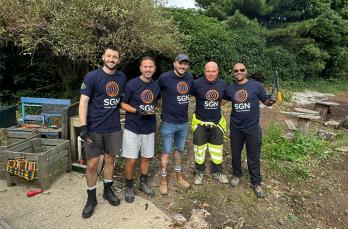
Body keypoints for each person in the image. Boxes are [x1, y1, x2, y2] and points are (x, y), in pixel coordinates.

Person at [79, 45, 126, 218]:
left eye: (115, 57)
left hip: (113, 127)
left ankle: (107, 190)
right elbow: (83, 101)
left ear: (118, 60)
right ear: (103, 57)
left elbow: (120, 100)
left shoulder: (121, 77)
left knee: (109, 160)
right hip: (94, 128)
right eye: (109, 56)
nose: (111, 59)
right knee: (92, 164)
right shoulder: (92, 76)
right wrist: (83, 126)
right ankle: (91, 198)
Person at [222, 63, 276, 198]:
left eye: (241, 70)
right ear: (233, 73)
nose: (239, 72)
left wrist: (272, 100)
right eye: (236, 70)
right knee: (235, 154)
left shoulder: (256, 86)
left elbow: (266, 102)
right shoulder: (230, 89)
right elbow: (219, 102)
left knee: (253, 156)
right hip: (236, 128)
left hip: (253, 128)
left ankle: (256, 183)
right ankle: (236, 175)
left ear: (246, 71)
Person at [121, 56, 160, 203]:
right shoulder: (131, 84)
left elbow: (157, 102)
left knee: (146, 157)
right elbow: (123, 104)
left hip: (149, 127)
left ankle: (143, 183)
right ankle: (129, 185)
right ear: (141, 68)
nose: (148, 69)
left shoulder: (155, 86)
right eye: (145, 66)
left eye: (151, 67)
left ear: (154, 69)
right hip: (133, 127)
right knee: (131, 160)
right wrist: (137, 111)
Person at [157, 54, 193, 195]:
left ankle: (179, 176)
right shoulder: (164, 78)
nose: (182, 66)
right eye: (180, 63)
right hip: (168, 123)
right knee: (166, 152)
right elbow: (154, 93)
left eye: (185, 64)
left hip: (183, 122)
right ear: (174, 64)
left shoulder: (189, 78)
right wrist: (161, 106)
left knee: (179, 151)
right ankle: (163, 180)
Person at [190, 61, 229, 185]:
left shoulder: (222, 84)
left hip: (216, 123)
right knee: (199, 150)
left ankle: (217, 172)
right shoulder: (196, 83)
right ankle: (199, 172)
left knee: (217, 150)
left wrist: (216, 105)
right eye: (208, 71)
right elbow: (189, 95)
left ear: (217, 71)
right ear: (204, 71)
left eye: (213, 71)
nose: (211, 73)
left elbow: (225, 98)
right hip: (200, 122)